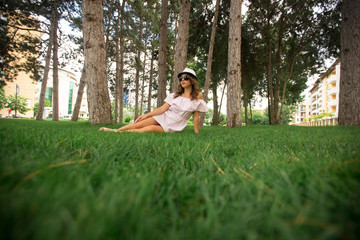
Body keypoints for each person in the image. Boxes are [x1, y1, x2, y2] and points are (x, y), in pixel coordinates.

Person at [99, 67, 207, 134]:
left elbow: (196, 115)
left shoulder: (198, 95)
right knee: (139, 124)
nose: (182, 80)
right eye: (181, 78)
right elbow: (162, 108)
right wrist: (146, 115)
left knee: (148, 129)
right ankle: (114, 131)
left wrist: (196, 133)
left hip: (175, 124)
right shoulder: (175, 95)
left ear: (192, 80)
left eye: (186, 78)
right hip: (165, 116)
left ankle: (120, 134)